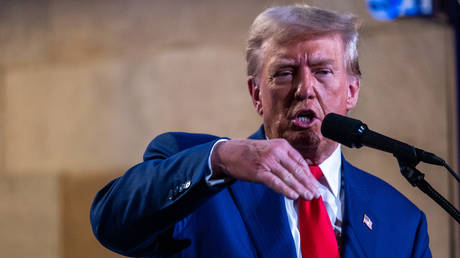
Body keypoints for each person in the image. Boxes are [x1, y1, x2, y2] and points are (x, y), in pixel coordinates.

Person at [90, 4, 431, 258]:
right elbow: (111, 223)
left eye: (323, 71)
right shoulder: (200, 172)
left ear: (352, 91)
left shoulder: (400, 219)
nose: (304, 89)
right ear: (257, 94)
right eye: (284, 73)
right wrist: (220, 159)